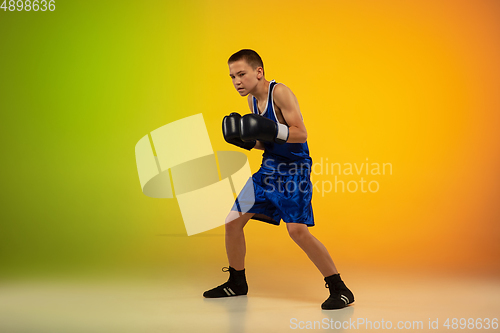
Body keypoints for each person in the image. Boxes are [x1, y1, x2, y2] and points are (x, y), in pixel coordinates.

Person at [203, 49, 354, 310]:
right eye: (232, 77)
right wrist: (248, 143)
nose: (237, 81)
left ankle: (340, 289)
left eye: (241, 74)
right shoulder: (252, 101)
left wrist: (268, 129)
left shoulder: (280, 92)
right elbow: (268, 142)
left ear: (258, 72)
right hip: (268, 170)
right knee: (232, 222)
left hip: (294, 170)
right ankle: (237, 283)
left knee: (297, 231)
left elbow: (300, 134)